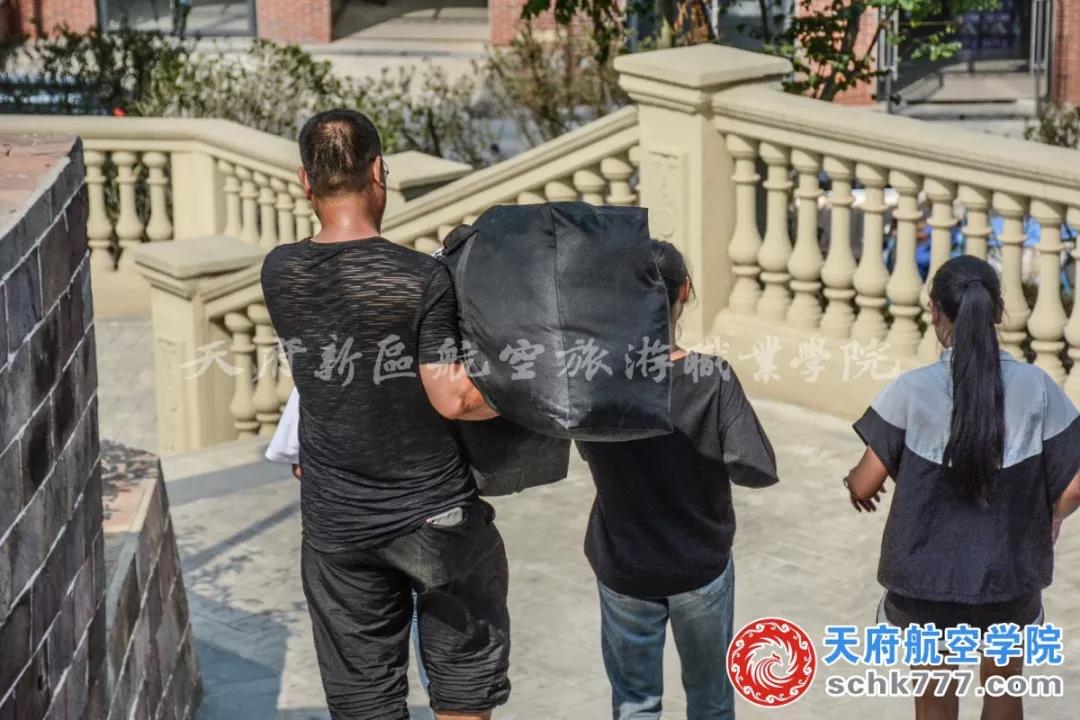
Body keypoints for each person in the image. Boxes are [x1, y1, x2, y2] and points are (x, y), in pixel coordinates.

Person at [260, 109, 510, 720]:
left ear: (305, 181)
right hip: (433, 514)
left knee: (365, 699)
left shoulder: (280, 270)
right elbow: (453, 398)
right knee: (462, 685)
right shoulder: (422, 278)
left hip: (336, 522)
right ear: (379, 172)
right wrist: (528, 391)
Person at [845, 255, 1080, 720]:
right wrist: (1051, 518)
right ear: (999, 311)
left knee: (934, 700)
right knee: (1003, 693)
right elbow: (1074, 485)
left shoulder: (911, 389)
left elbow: (866, 481)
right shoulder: (1038, 387)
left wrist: (854, 486)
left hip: (925, 581)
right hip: (1008, 574)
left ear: (935, 312)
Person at [575, 240, 779, 720]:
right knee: (711, 703)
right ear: (684, 291)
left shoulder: (592, 379)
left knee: (635, 705)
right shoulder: (711, 377)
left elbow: (582, 447)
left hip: (625, 566)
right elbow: (757, 469)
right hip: (699, 566)